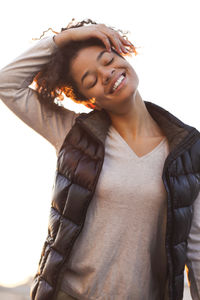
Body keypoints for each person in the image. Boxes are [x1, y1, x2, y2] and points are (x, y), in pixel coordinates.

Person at [0, 19, 199, 300]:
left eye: (107, 60)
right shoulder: (74, 134)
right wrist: (65, 38)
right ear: (89, 101)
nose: (106, 75)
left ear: (122, 55)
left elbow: (196, 246)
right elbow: (7, 84)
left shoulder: (186, 148)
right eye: (91, 80)